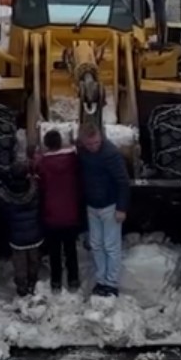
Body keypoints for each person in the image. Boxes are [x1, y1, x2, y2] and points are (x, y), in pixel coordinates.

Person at [76, 122, 131, 297]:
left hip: (110, 205)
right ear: (83, 142)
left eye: (96, 143)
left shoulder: (111, 154)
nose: (93, 147)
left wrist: (121, 208)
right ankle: (101, 280)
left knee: (111, 246)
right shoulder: (82, 153)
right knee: (96, 245)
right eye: (89, 144)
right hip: (92, 205)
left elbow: (123, 181)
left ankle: (111, 283)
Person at [34, 129, 82, 293]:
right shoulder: (72, 160)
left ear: (46, 145)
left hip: (51, 214)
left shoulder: (42, 163)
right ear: (61, 142)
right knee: (70, 250)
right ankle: (73, 280)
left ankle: (56, 283)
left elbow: (39, 185)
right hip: (70, 213)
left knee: (54, 251)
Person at [0, 161, 45, 297]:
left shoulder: (5, 192)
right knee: (34, 259)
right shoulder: (34, 189)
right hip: (34, 233)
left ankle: (21, 286)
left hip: (16, 236)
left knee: (19, 262)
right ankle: (33, 281)